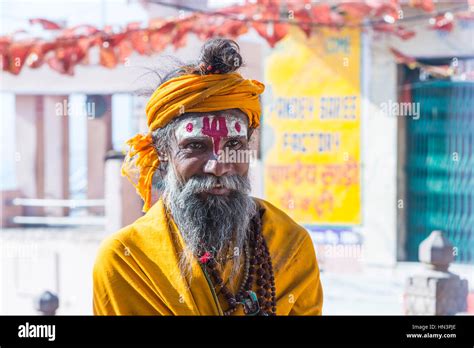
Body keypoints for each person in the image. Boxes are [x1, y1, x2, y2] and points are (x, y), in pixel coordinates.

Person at [93, 38, 323, 315]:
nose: (218, 166)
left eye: (234, 145)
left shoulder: (289, 244)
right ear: (162, 151)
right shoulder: (126, 261)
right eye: (195, 146)